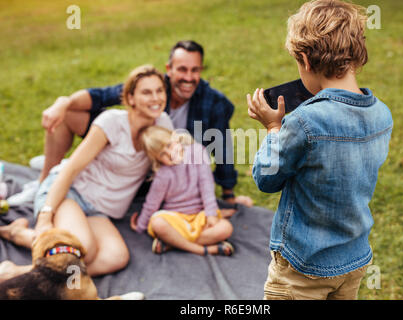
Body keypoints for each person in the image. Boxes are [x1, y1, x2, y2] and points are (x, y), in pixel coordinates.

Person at [247, 0, 393, 300]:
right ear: (357, 55)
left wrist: (274, 128)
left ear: (306, 60)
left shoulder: (304, 121)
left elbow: (266, 178)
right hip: (353, 260)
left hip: (303, 268)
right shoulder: (382, 115)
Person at [9, 40, 252, 208]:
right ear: (169, 69)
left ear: (201, 71)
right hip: (127, 146)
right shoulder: (152, 85)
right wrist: (62, 103)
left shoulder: (214, 102)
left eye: (195, 70)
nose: (188, 77)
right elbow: (101, 96)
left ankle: (70, 165)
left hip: (158, 169)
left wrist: (228, 193)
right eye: (182, 70)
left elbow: (222, 147)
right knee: (69, 113)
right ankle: (46, 178)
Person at [0, 65, 173, 280]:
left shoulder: (164, 124)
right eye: (146, 92)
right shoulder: (112, 122)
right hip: (71, 193)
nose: (155, 98)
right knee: (83, 248)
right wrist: (45, 217)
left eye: (159, 90)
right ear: (131, 98)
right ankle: (15, 272)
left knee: (115, 257)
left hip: (99, 209)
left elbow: (176, 165)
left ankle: (20, 237)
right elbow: (70, 169)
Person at [130, 126, 234, 256]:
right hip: (176, 219)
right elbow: (152, 203)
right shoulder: (163, 173)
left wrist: (211, 214)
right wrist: (140, 225)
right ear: (157, 159)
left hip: (200, 216)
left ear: (176, 139)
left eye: (169, 145)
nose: (169, 154)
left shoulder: (197, 152)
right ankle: (202, 249)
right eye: (162, 154)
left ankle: (172, 244)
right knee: (158, 223)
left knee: (225, 228)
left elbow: (207, 185)